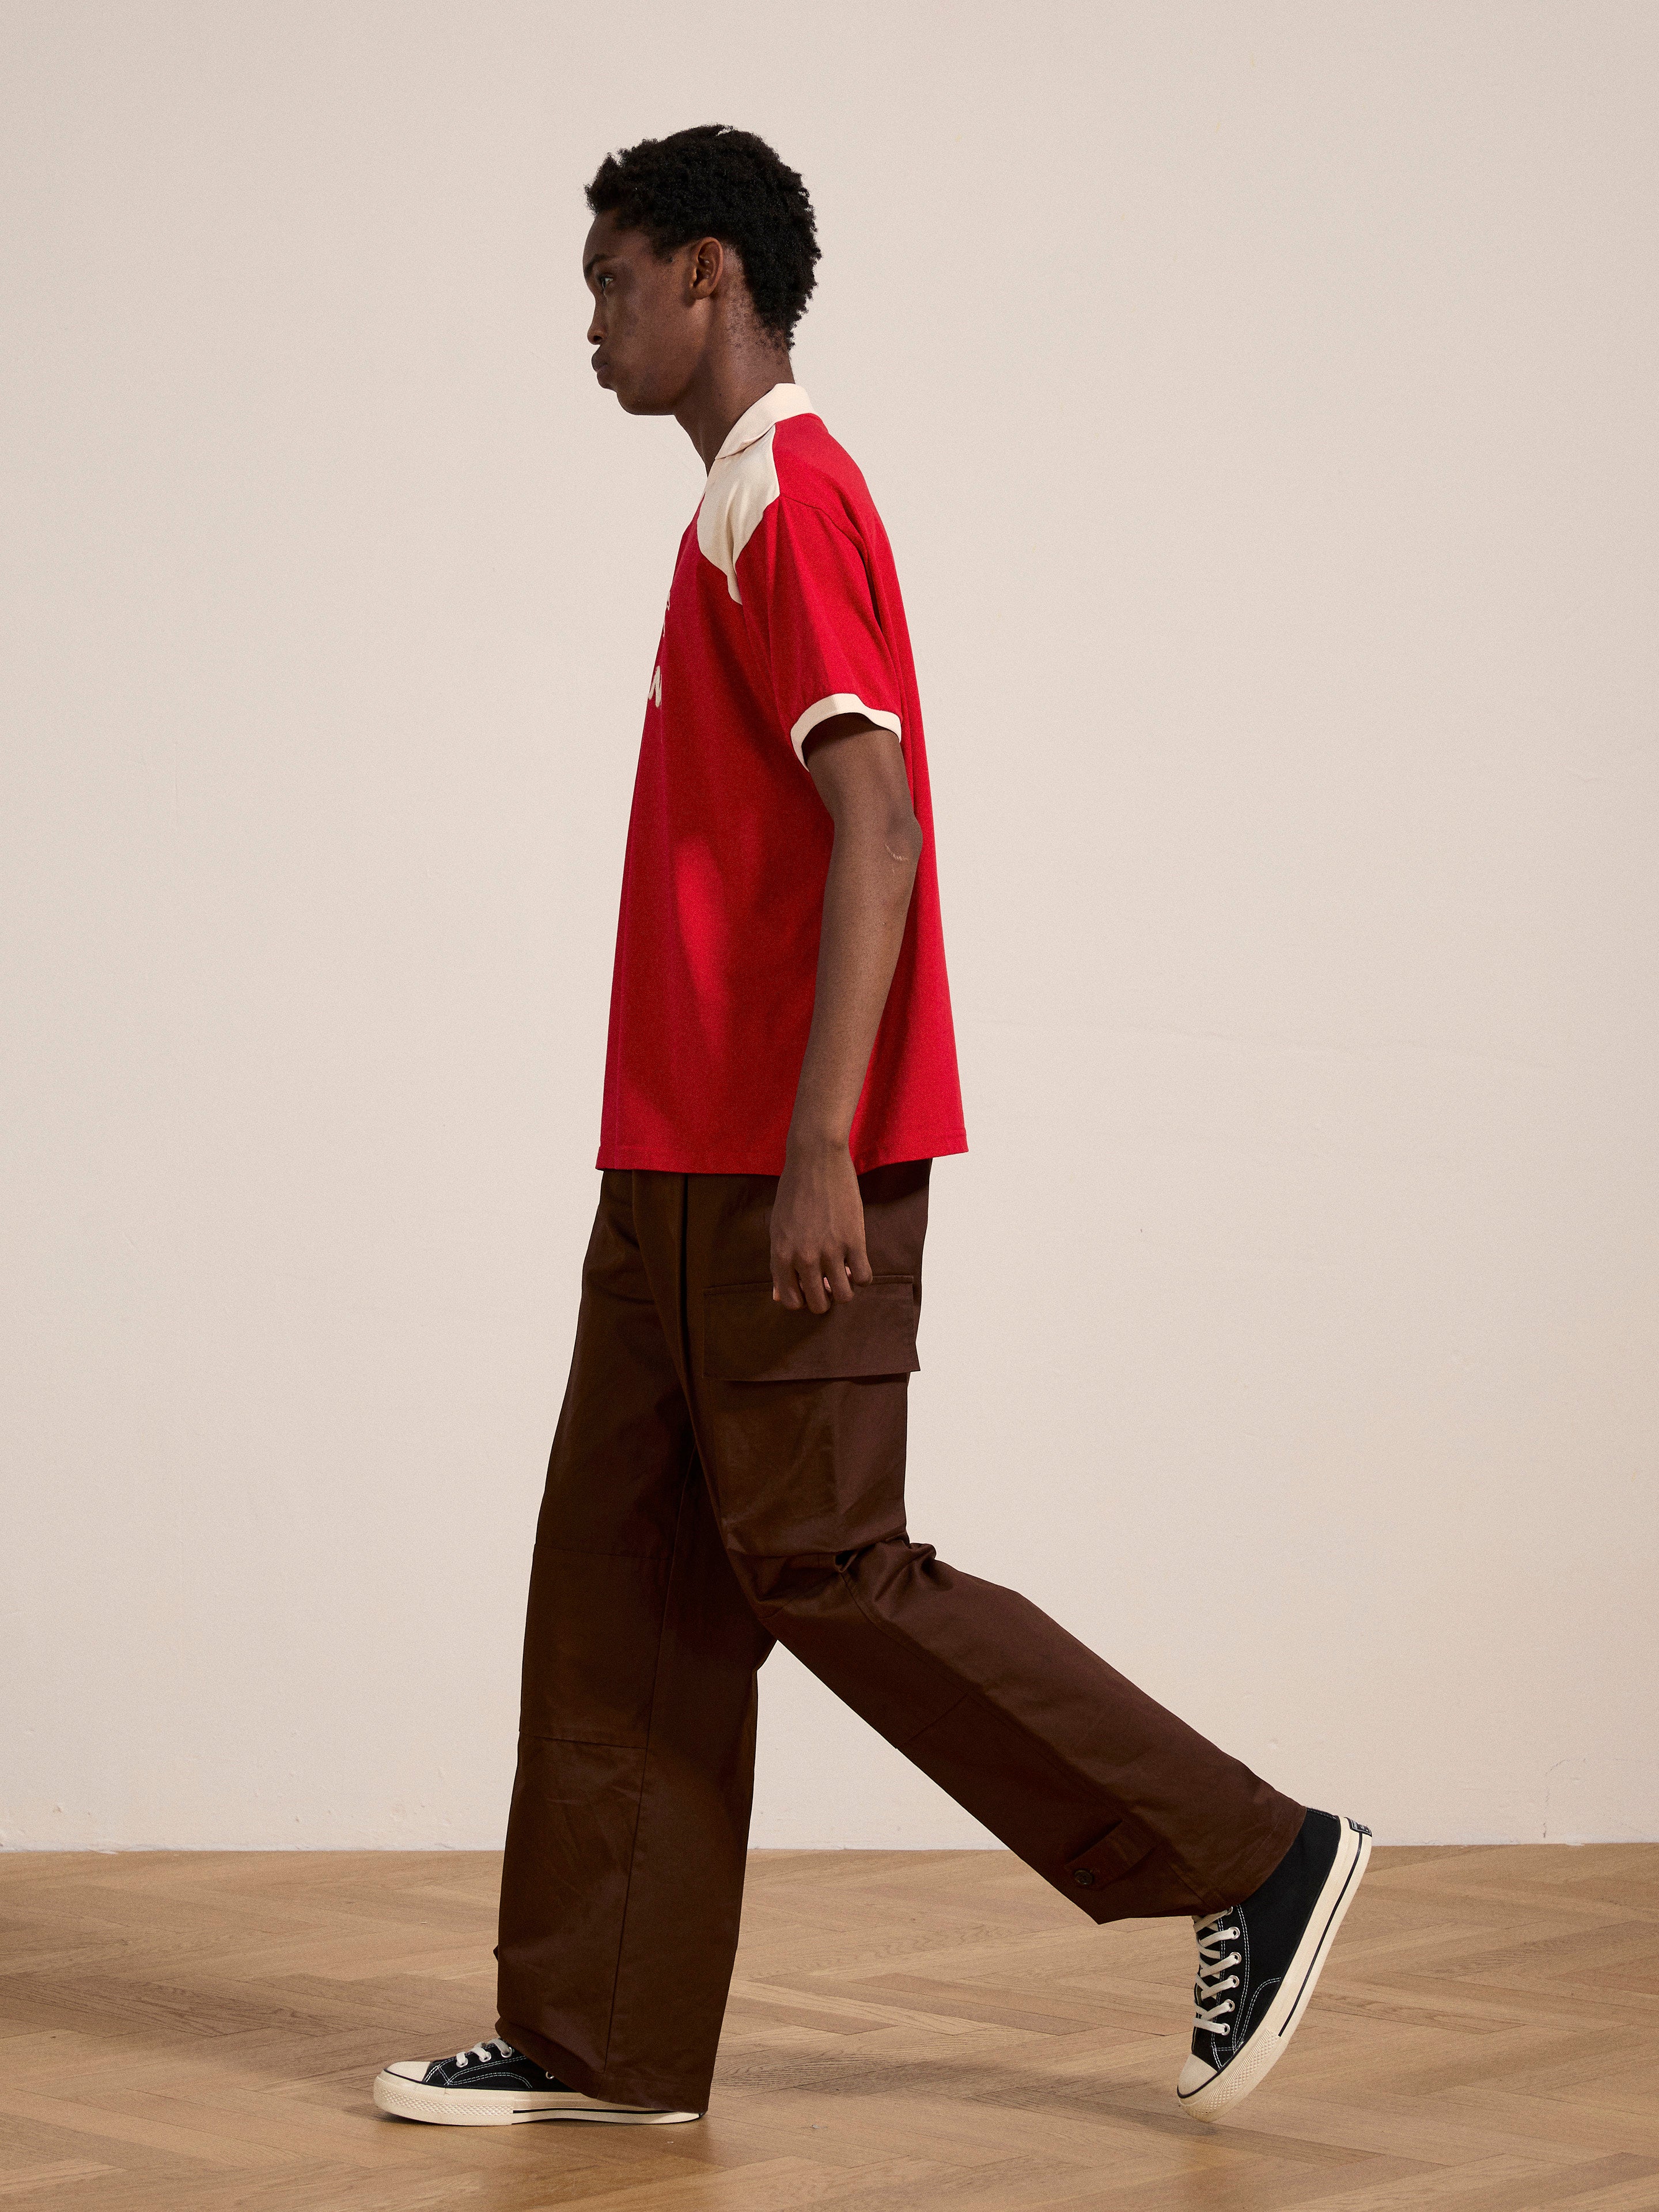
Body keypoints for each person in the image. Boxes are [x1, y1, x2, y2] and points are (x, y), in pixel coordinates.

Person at [374, 123, 1368, 2136]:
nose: (590, 325)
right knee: (624, 1583)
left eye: (611, 281)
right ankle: (605, 2043)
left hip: (778, 1164)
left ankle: (1251, 1851)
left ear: (709, 279)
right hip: (669, 1158)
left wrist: (824, 1138)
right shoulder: (727, 512)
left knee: (827, 1563)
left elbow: (880, 823)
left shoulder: (795, 501)